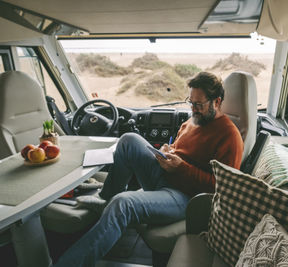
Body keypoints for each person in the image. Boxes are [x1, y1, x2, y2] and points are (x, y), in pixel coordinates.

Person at [55, 72, 244, 267]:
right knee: (129, 140)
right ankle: (105, 199)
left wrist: (181, 167)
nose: (193, 109)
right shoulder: (193, 121)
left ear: (217, 102)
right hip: (165, 174)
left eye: (199, 105)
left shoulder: (229, 136)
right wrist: (166, 150)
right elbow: (180, 148)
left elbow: (221, 189)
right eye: (191, 102)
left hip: (186, 198)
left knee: (123, 203)